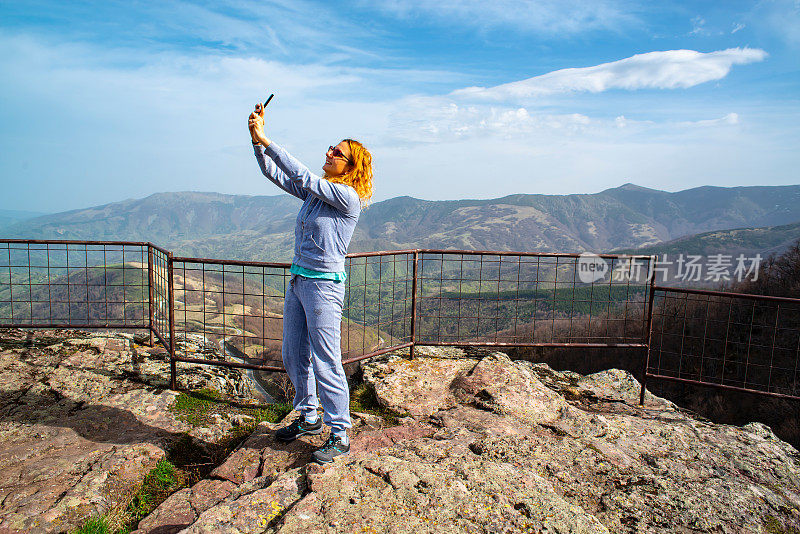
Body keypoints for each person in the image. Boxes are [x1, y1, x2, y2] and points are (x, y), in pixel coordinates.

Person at [248, 102, 373, 464]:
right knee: (292, 353)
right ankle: (309, 416)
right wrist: (257, 143)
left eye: (338, 153)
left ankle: (339, 433)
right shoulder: (317, 196)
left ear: (351, 168)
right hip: (300, 280)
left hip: (324, 287)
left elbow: (301, 176)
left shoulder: (346, 197)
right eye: (331, 149)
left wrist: (267, 139)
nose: (329, 153)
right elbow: (276, 175)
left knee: (326, 360)